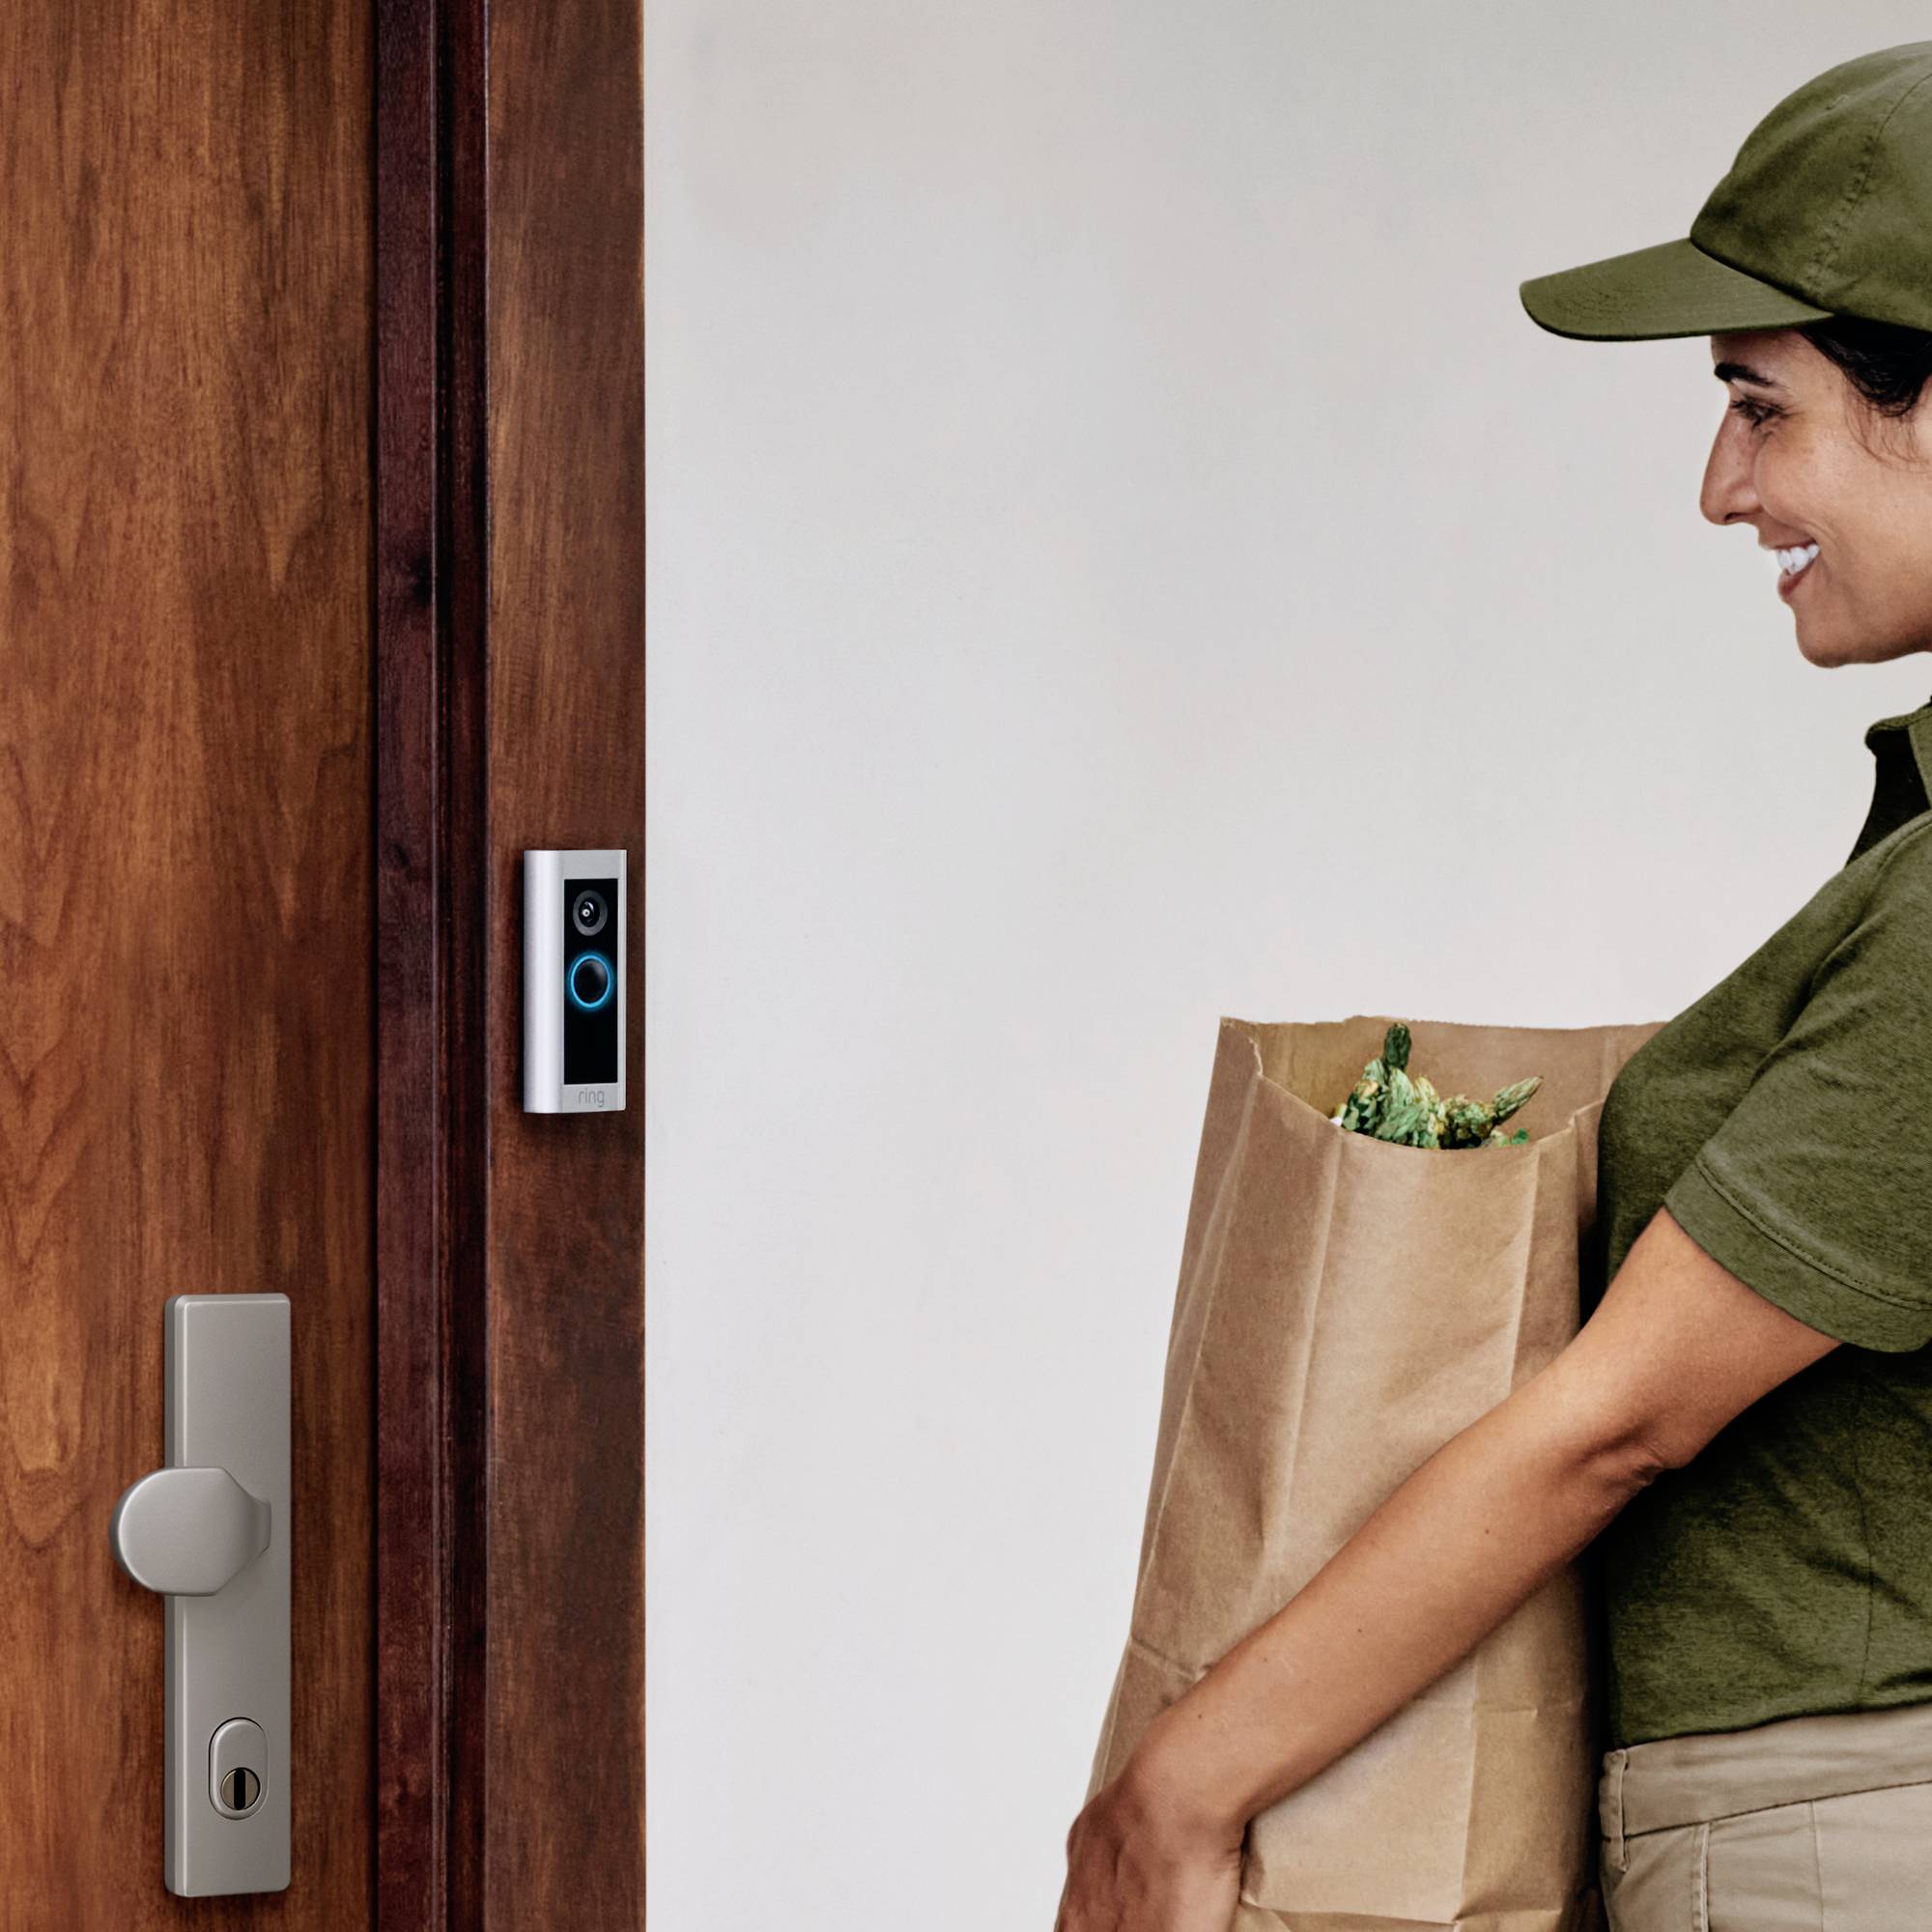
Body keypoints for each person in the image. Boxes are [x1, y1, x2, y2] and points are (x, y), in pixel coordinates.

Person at [1055, 41, 1932, 1932]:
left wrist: (1173, 1790)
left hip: (1828, 1850)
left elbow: (1626, 1417)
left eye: (1756, 406)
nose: (1720, 487)